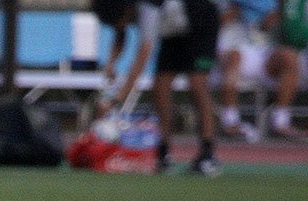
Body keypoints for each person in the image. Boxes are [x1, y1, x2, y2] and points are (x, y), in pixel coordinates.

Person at [94, 0, 223, 175]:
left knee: (197, 85)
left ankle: (207, 153)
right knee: (160, 88)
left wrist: (117, 98)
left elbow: (142, 57)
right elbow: (120, 33)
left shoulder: (148, 9)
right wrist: (110, 64)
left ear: (126, 10)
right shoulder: (123, 9)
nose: (124, 25)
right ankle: (163, 152)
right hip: (172, 33)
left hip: (201, 23)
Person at [217, 0, 304, 138]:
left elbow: (272, 24)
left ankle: (280, 122)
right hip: (231, 47)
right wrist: (235, 12)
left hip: (261, 50)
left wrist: (275, 16)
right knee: (234, 57)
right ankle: (230, 122)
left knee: (290, 57)